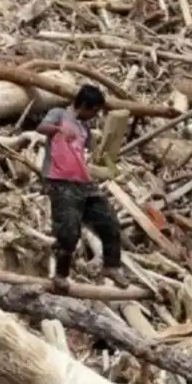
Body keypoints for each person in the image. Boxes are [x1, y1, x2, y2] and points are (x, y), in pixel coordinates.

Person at [37, 85, 129, 292]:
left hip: (83, 182)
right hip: (59, 181)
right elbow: (41, 128)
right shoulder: (58, 114)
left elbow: (93, 153)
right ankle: (61, 275)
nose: (95, 115)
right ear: (85, 105)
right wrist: (59, 129)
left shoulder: (84, 128)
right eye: (94, 110)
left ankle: (111, 266)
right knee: (69, 230)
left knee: (110, 221)